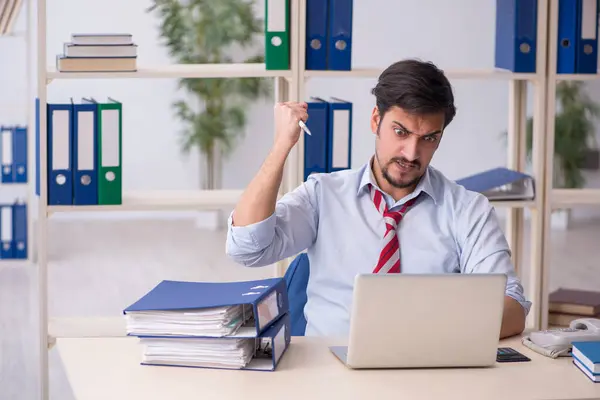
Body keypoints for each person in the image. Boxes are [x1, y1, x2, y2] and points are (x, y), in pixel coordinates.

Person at [225, 58, 530, 339]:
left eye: (428, 139)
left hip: (426, 371)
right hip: (329, 376)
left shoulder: (467, 210)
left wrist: (431, 333)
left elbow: (513, 307)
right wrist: (281, 145)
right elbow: (247, 248)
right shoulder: (324, 195)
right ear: (375, 121)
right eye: (400, 132)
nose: (411, 153)